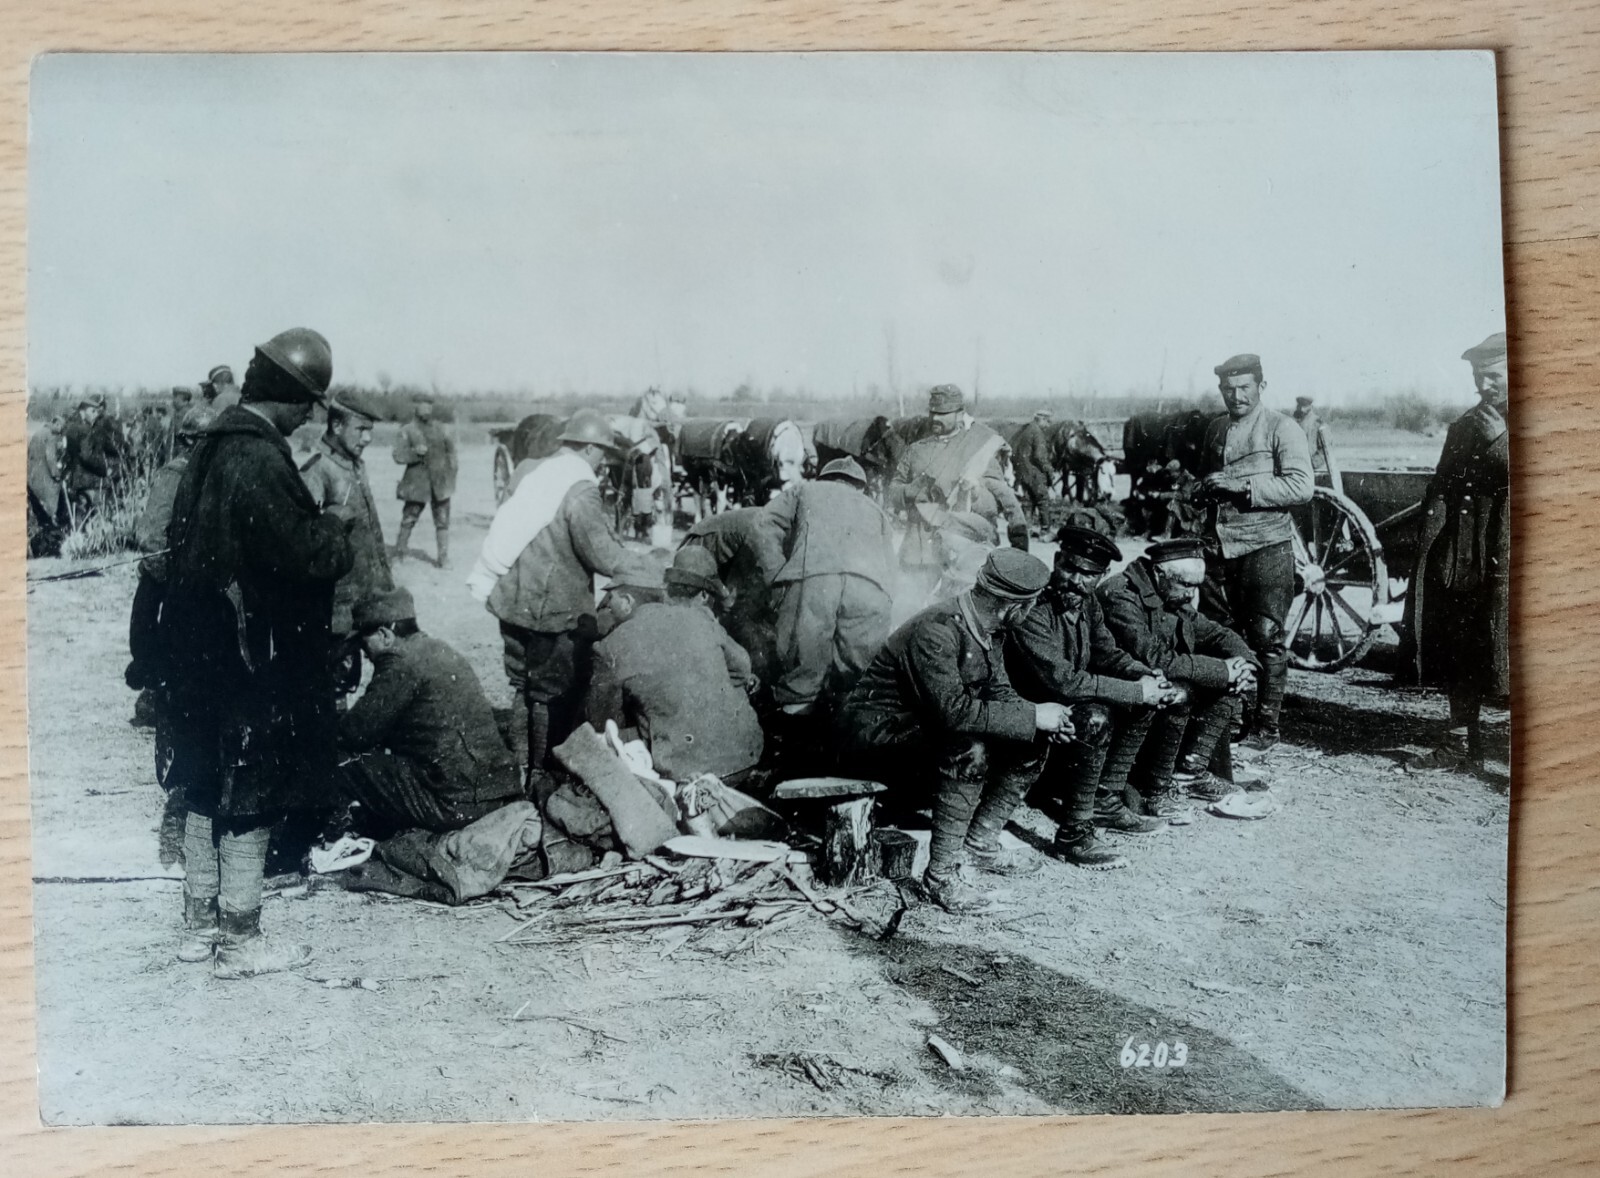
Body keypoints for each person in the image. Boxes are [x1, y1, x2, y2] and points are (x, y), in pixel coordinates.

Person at [159, 327, 354, 979]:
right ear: (295, 399)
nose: (314, 416)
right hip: (245, 655)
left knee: (202, 781)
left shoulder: (214, 447)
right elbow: (302, 557)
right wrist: (337, 526)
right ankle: (241, 939)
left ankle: (197, 926)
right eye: (314, 402)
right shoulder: (260, 460)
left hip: (196, 645)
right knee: (251, 785)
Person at [837, 548, 1072, 912]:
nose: (1030, 613)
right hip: (875, 735)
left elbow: (998, 691)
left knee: (1031, 736)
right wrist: (1031, 716)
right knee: (967, 747)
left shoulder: (989, 626)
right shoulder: (937, 631)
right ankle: (940, 878)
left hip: (919, 727)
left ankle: (980, 845)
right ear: (1013, 607)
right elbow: (954, 714)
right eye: (1030, 605)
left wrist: (1036, 718)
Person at [468, 407, 642, 785]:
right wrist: (641, 567)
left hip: (511, 602)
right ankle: (540, 773)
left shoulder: (530, 470)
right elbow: (600, 552)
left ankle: (516, 765)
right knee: (553, 693)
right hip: (552, 611)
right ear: (593, 449)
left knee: (521, 687)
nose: (603, 463)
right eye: (603, 455)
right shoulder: (581, 489)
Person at [1006, 526, 1176, 866]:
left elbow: (1106, 653)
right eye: (1069, 568)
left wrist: (1143, 676)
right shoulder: (1033, 608)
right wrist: (1135, 690)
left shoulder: (1087, 603)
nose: (1075, 580)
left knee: (1144, 699)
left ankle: (1104, 800)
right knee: (1096, 716)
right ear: (1056, 561)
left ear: (1103, 575)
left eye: (1088, 574)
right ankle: (1073, 835)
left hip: (1061, 712)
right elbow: (1063, 681)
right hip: (1026, 714)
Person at [1195, 353, 1314, 753]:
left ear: (1261, 387)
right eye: (1229, 388)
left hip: (1266, 546)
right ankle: (1228, 718)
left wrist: (1242, 488)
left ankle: (1266, 725)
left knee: (1266, 634)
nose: (1236, 395)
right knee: (1219, 634)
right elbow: (1205, 479)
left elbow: (1301, 487)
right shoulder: (1214, 429)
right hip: (1218, 548)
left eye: (1245, 387)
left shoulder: (1284, 428)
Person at [1404, 332, 1510, 774]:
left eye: (1492, 377)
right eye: (1477, 377)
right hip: (1465, 559)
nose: (1483, 387)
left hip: (1510, 562)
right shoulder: (1466, 424)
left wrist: (1503, 442)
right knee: (1461, 648)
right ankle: (1459, 746)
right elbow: (1442, 488)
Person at [338, 588, 524, 836]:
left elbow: (355, 733)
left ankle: (332, 835)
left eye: (364, 642)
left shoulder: (399, 663)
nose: (365, 653)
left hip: (455, 803)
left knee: (335, 759)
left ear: (384, 635)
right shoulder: (440, 649)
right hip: (498, 792)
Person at [1097, 538, 1260, 816]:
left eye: (1197, 585)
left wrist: (1246, 664)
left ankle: (1189, 774)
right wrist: (1222, 670)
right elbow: (1154, 658)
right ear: (1160, 574)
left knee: (1224, 684)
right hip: (1117, 685)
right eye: (1186, 585)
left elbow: (1214, 632)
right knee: (1184, 690)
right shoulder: (1121, 594)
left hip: (1152, 683)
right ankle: (1154, 789)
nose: (1191, 594)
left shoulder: (1168, 591)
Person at [586, 547, 765, 784]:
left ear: (629, 601)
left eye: (612, 598)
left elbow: (602, 723)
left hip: (686, 773)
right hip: (745, 759)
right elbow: (741, 670)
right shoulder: (700, 618)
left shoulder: (610, 646)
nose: (607, 605)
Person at [762, 457, 897, 719]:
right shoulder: (874, 508)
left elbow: (764, 524)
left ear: (823, 478)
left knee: (803, 664)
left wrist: (777, 573)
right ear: (860, 486)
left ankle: (796, 735)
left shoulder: (804, 489)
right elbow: (891, 564)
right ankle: (853, 735)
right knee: (860, 674)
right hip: (870, 587)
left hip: (817, 577)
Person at [887, 385, 1029, 604]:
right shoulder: (915, 450)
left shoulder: (978, 450)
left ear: (960, 413)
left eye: (943, 414)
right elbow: (892, 493)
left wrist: (974, 493)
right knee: (906, 611)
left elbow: (996, 503)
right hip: (917, 552)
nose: (935, 418)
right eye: (933, 412)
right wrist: (908, 491)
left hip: (959, 554)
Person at [300, 391, 394, 696]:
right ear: (337, 426)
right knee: (332, 678)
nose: (367, 438)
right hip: (337, 601)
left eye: (370, 431)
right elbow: (307, 540)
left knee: (362, 672)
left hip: (367, 592)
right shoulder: (317, 470)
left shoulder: (354, 465)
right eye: (360, 429)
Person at [679, 506, 785, 686]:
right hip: (703, 544)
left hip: (732, 547)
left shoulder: (781, 531)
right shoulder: (764, 535)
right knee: (705, 612)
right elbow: (734, 596)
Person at [393, 397, 458, 566]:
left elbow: (452, 453)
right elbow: (398, 456)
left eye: (428, 405)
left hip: (440, 484)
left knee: (443, 521)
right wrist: (415, 452)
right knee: (409, 518)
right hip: (417, 484)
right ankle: (399, 552)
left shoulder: (442, 429)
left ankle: (443, 558)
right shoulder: (407, 430)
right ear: (415, 407)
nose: (425, 408)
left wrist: (450, 475)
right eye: (421, 404)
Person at [62, 394, 113, 517]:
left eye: (96, 411)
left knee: (80, 514)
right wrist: (105, 470)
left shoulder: (70, 427)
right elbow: (87, 456)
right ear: (83, 411)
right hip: (90, 480)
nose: (96, 414)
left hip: (76, 479)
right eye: (92, 411)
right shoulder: (86, 429)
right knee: (96, 516)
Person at [1010, 409, 1057, 523]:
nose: (1048, 426)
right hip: (1036, 474)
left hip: (1024, 474)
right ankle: (1045, 531)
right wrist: (1050, 471)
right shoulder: (1038, 433)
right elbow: (1039, 456)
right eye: (1048, 422)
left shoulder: (1026, 430)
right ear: (1042, 420)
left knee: (1028, 501)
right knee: (1043, 501)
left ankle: (1027, 528)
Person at [27, 414, 68, 539]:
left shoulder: (38, 433)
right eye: (61, 427)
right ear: (56, 424)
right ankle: (55, 524)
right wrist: (57, 474)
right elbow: (51, 458)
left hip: (32, 473)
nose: (61, 431)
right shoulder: (51, 436)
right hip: (44, 474)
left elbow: (29, 452)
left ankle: (42, 526)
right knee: (53, 496)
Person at [1293, 395, 1341, 490]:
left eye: (1304, 406)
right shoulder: (1293, 424)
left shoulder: (1318, 424)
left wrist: (1311, 464)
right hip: (1296, 470)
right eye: (1299, 406)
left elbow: (1325, 451)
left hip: (1313, 471)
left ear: (1310, 407)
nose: (1301, 408)